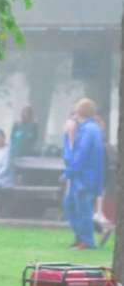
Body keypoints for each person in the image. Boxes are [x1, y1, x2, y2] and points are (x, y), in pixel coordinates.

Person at [62, 98, 104, 250]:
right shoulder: (91, 128)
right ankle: (81, 238)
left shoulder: (88, 130)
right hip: (84, 176)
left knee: (82, 209)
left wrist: (69, 172)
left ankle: (87, 241)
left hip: (84, 177)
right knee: (72, 206)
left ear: (79, 111)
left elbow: (81, 154)